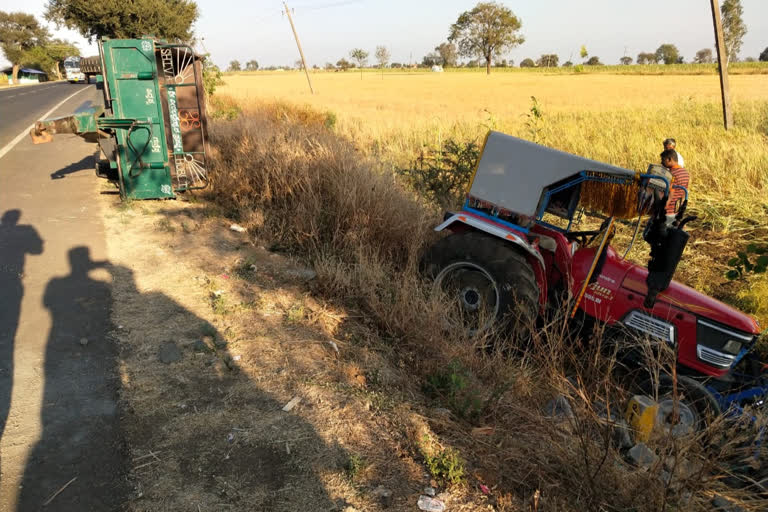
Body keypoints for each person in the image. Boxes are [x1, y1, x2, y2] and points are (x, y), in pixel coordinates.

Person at [661, 149, 690, 224]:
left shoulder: (671, 174)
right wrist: (680, 206)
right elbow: (685, 192)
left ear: (669, 159)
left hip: (668, 212)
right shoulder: (685, 173)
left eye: (663, 160)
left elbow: (671, 193)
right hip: (676, 210)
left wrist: (664, 207)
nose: (661, 163)